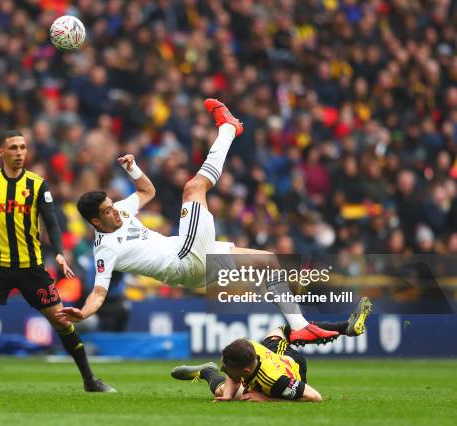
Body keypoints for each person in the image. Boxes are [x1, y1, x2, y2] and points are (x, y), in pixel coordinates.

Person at [58, 99, 339, 345]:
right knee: (193, 188)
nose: (116, 211)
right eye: (108, 211)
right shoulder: (105, 249)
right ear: (95, 221)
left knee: (268, 260)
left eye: (112, 205)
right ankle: (228, 128)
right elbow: (98, 292)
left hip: (195, 267)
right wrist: (82, 313)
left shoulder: (121, 210)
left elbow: (147, 191)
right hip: (185, 260)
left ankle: (300, 326)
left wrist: (133, 169)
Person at [0, 130, 115, 393]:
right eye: (13, 148)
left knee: (62, 322)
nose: (19, 153)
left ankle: (89, 380)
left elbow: (52, 222)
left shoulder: (37, 184)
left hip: (31, 268)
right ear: (1, 152)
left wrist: (59, 251)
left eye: (23, 148)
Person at [170, 297, 373, 402]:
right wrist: (229, 395)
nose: (226, 368)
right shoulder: (249, 347)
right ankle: (344, 327)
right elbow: (234, 372)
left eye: (225, 368)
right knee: (284, 330)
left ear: (246, 371)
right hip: (273, 354)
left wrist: (266, 398)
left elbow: (315, 397)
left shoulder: (275, 383)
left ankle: (208, 372)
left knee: (229, 390)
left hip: (290, 367)